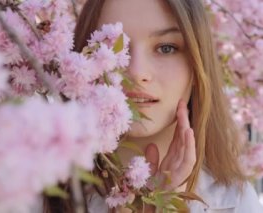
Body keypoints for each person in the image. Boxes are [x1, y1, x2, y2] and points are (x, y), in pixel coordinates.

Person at [44, 0, 263, 212]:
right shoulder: (33, 189)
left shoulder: (236, 204)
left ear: (198, 66)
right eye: (114, 47)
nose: (138, 72)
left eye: (166, 48)